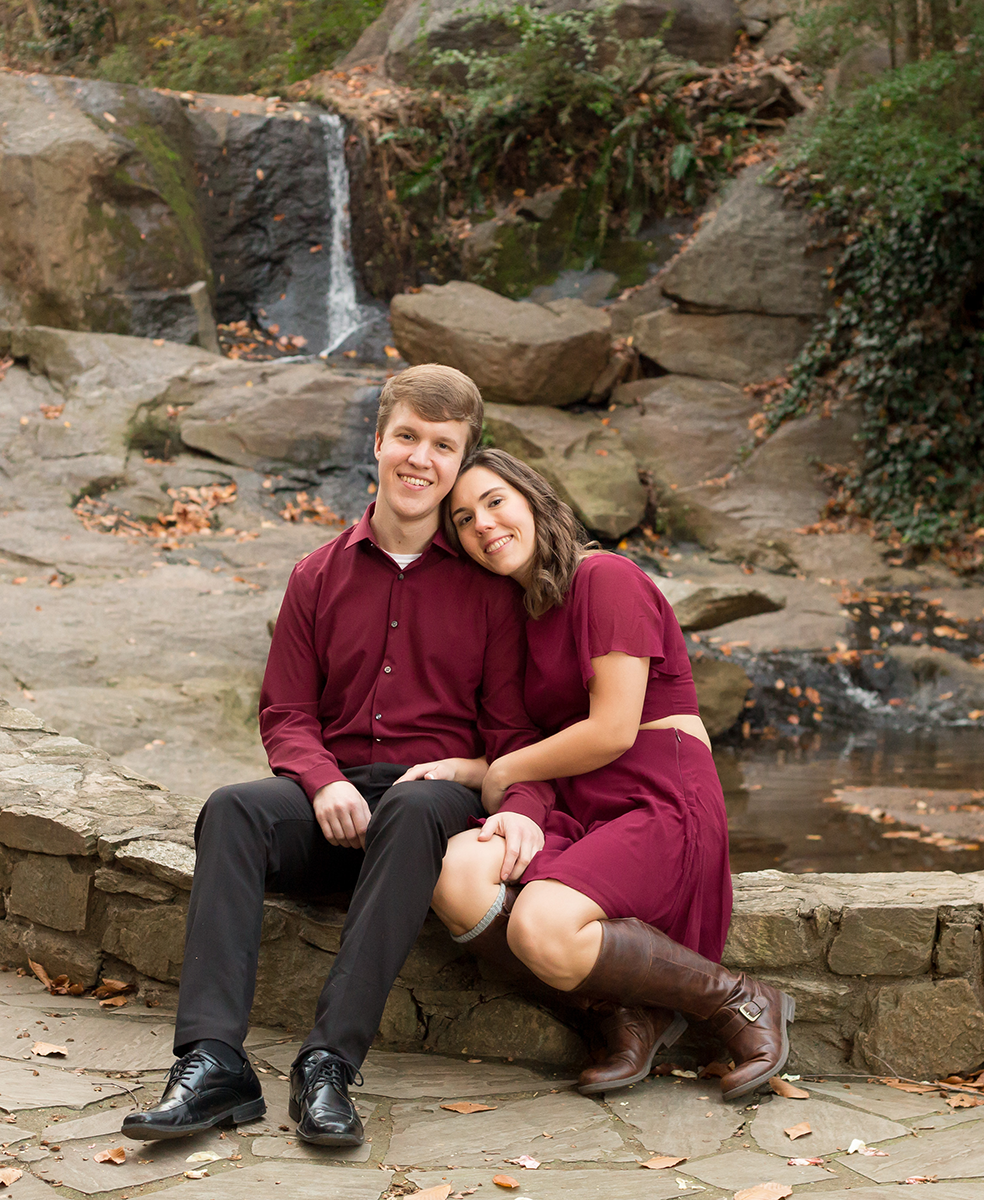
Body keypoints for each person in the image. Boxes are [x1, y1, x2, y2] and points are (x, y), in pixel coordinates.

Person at [123, 366, 553, 1146]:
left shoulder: (491, 595)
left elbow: (512, 735)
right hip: (339, 808)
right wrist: (320, 782)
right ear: (379, 442)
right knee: (232, 808)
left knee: (419, 804)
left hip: (432, 811)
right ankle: (215, 1062)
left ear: (462, 463)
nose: (421, 458)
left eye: (443, 446)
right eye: (409, 438)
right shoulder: (316, 574)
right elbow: (286, 712)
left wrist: (522, 809)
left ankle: (328, 1064)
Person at [413, 448, 793, 1101]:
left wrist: (499, 770)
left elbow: (613, 729)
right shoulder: (518, 617)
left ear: (534, 499)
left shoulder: (605, 578)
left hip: (659, 791)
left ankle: (739, 1000)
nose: (483, 525)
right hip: (580, 801)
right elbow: (533, 746)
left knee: (540, 923)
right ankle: (621, 1008)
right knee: (456, 875)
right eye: (465, 518)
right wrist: (481, 772)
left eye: (495, 501)